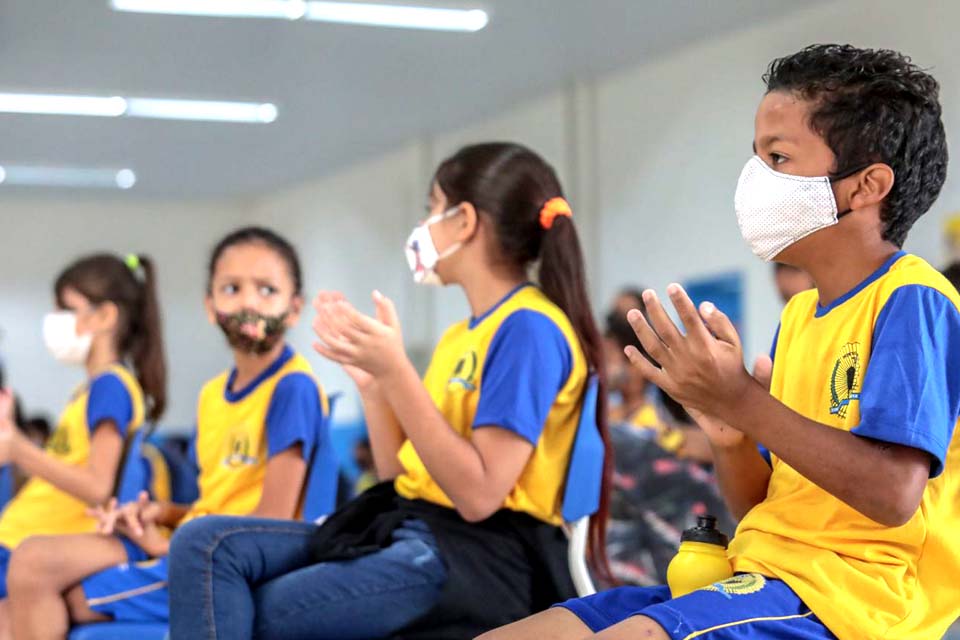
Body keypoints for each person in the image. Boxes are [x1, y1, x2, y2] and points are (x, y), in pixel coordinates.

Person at [484, 43, 958, 640]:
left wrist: (742, 400)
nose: (756, 178)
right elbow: (759, 509)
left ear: (866, 186)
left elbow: (894, 494)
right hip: (761, 573)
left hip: (855, 601)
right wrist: (731, 440)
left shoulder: (913, 299)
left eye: (777, 157)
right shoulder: (804, 314)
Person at [166, 142, 611, 640]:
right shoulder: (459, 335)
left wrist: (398, 372)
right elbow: (401, 476)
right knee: (204, 544)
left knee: (256, 611)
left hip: (479, 557)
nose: (423, 226)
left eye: (431, 210)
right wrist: (377, 388)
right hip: (416, 529)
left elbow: (480, 496)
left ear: (464, 221)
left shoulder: (528, 329)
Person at [7, 227, 337, 638]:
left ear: (294, 309)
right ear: (210, 305)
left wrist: (169, 545)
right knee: (37, 579)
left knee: (52, 582)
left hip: (223, 562)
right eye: (232, 288)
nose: (248, 301)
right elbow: (216, 503)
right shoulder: (212, 394)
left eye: (267, 290)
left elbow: (273, 523)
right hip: (201, 546)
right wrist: (162, 513)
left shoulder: (293, 389)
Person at [0, 253, 167, 640]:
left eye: (66, 308)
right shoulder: (88, 392)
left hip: (41, 541)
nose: (54, 320)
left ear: (106, 317)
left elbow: (97, 486)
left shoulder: (111, 386)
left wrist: (20, 449)